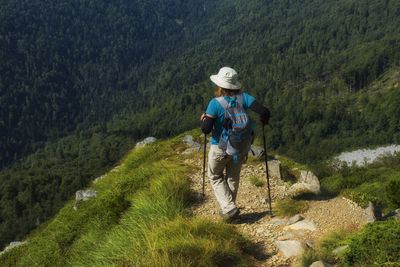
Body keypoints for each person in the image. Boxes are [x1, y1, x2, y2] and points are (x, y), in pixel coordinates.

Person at [201, 66, 270, 220]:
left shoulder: (215, 103)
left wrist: (205, 118)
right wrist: (264, 121)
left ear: (220, 86)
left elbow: (206, 129)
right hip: (240, 147)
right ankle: (229, 210)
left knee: (215, 176)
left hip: (220, 148)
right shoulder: (244, 98)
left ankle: (229, 208)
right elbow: (264, 111)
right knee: (232, 177)